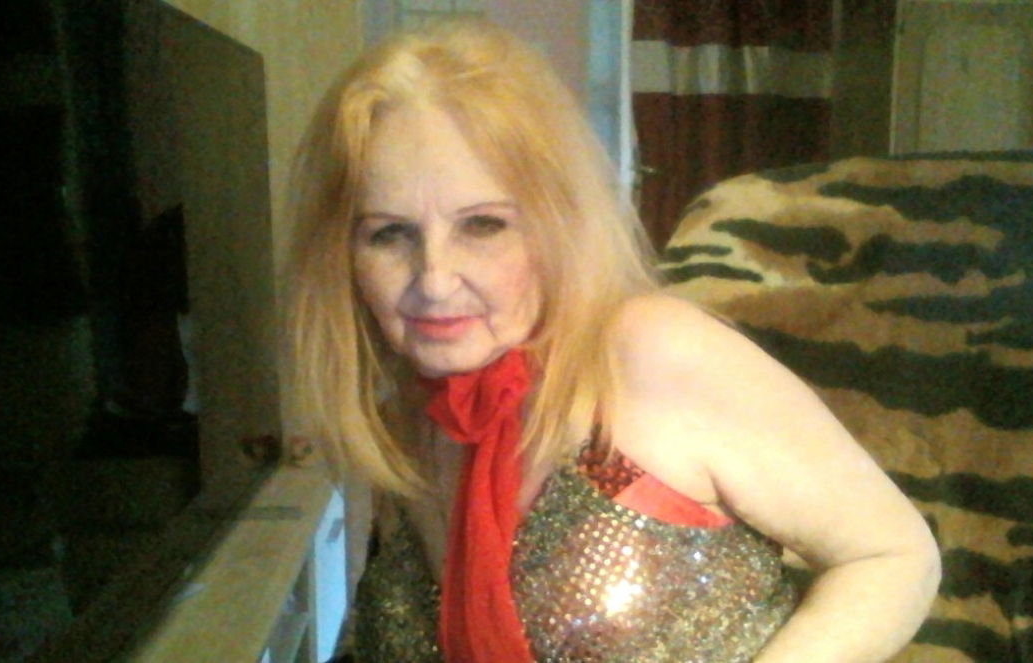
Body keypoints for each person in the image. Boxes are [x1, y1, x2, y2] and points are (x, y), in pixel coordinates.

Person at [284, 19, 940, 663]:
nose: (434, 278)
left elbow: (891, 556)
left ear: (556, 224)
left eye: (483, 225)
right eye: (390, 233)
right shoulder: (409, 419)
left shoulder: (652, 351)